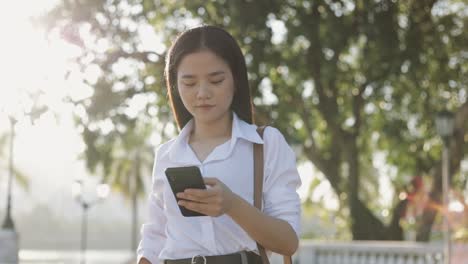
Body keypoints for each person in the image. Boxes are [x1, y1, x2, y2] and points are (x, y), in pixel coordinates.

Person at [137, 25, 301, 264]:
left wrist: (232, 204)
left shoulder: (266, 144)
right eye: (189, 83)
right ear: (175, 85)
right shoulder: (166, 154)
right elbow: (154, 237)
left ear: (235, 79)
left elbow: (288, 241)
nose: (202, 93)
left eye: (216, 80)